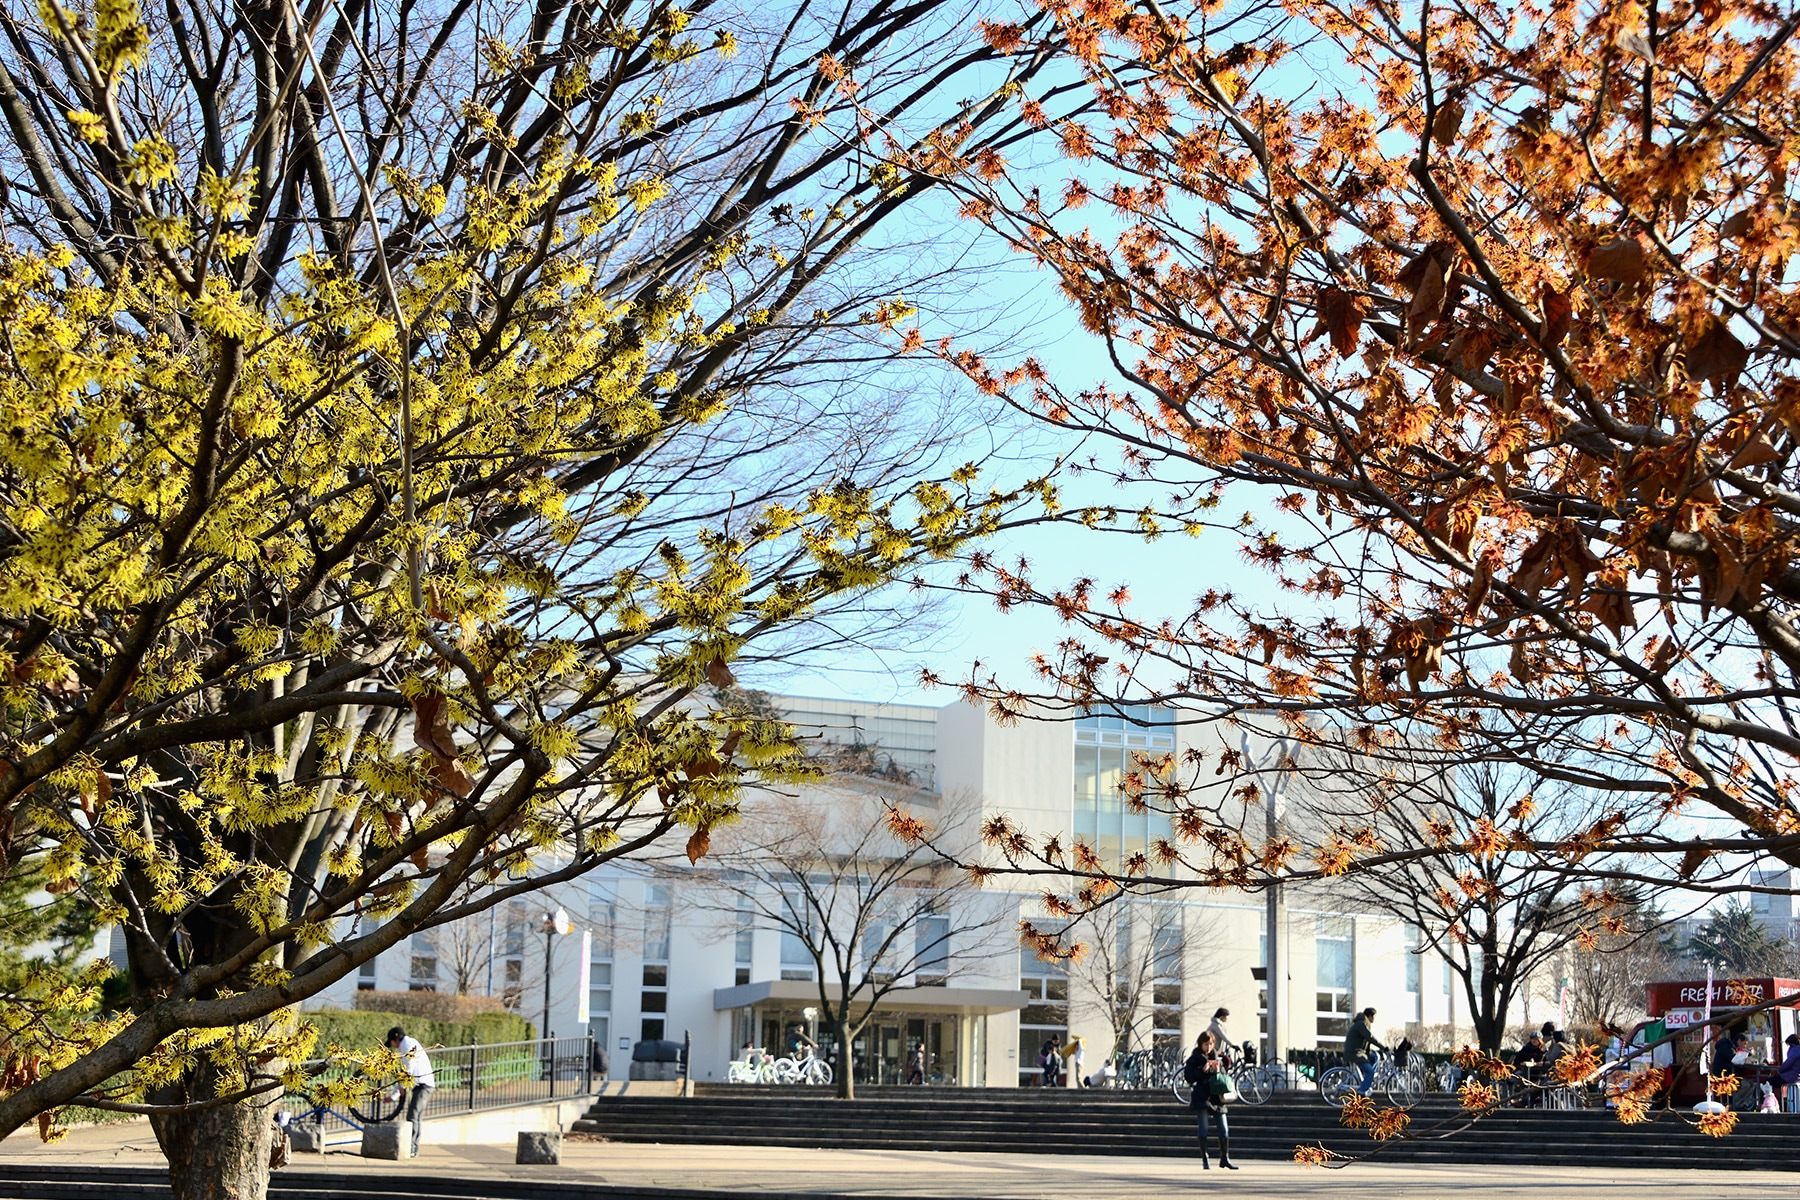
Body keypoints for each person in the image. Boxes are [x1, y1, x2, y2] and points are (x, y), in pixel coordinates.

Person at [1183, 1030, 1236, 1170]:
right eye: (1206, 1044)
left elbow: (1224, 1076)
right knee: (1203, 1128)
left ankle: (1225, 1158)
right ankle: (1205, 1159)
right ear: (1201, 1044)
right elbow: (1189, 1077)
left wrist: (1219, 1069)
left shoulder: (1217, 1056)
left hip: (1217, 1096)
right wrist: (1202, 1070)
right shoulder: (1194, 1058)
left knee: (1224, 1129)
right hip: (1202, 1096)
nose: (1209, 1047)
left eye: (1211, 1044)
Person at [386, 1026, 435, 1156]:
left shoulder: (407, 1045)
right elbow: (406, 1072)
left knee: (413, 1116)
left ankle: (413, 1148)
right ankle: (413, 1147)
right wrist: (394, 1095)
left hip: (423, 1084)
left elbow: (408, 1068)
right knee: (415, 1116)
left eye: (391, 1042)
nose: (392, 1046)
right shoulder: (408, 1043)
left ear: (395, 1038)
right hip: (422, 1084)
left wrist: (401, 1088)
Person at [1343, 1007, 1385, 1096]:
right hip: (1355, 1053)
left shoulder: (1364, 1023)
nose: (1375, 1019)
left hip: (1359, 1052)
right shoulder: (1361, 1024)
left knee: (1375, 1056)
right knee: (1370, 1072)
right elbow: (1370, 1037)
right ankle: (1361, 1092)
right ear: (1370, 1016)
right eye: (1374, 1016)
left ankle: (1367, 1079)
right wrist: (1383, 1047)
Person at [1514, 1032, 1546, 1106]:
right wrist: (1522, 1064)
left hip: (1539, 1073)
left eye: (1536, 1039)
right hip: (1525, 1071)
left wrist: (1540, 1063)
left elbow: (1547, 1061)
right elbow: (1517, 1061)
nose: (1534, 1041)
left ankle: (1531, 1099)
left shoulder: (1544, 1050)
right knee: (1519, 1077)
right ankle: (1526, 1099)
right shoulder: (1526, 1049)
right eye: (1532, 1039)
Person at [1774, 1032, 1800, 1111]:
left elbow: (1789, 1062)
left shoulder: (1795, 1050)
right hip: (1796, 1076)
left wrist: (1780, 1069)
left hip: (1790, 1076)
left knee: (1768, 1083)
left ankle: (1770, 1103)